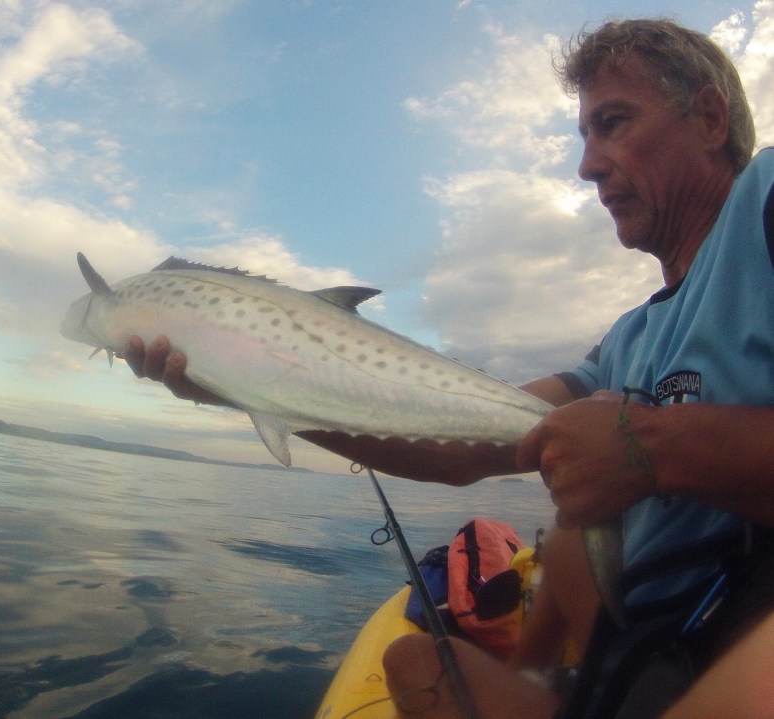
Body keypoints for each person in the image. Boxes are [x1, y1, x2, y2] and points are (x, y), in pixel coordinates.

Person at [121, 18, 774, 719]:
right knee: (417, 663)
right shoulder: (626, 340)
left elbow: (637, 448)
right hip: (649, 652)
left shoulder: (762, 201)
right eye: (584, 135)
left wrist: (652, 449)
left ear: (710, 118)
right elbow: (462, 449)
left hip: (740, 639)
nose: (587, 165)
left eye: (613, 124)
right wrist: (238, 383)